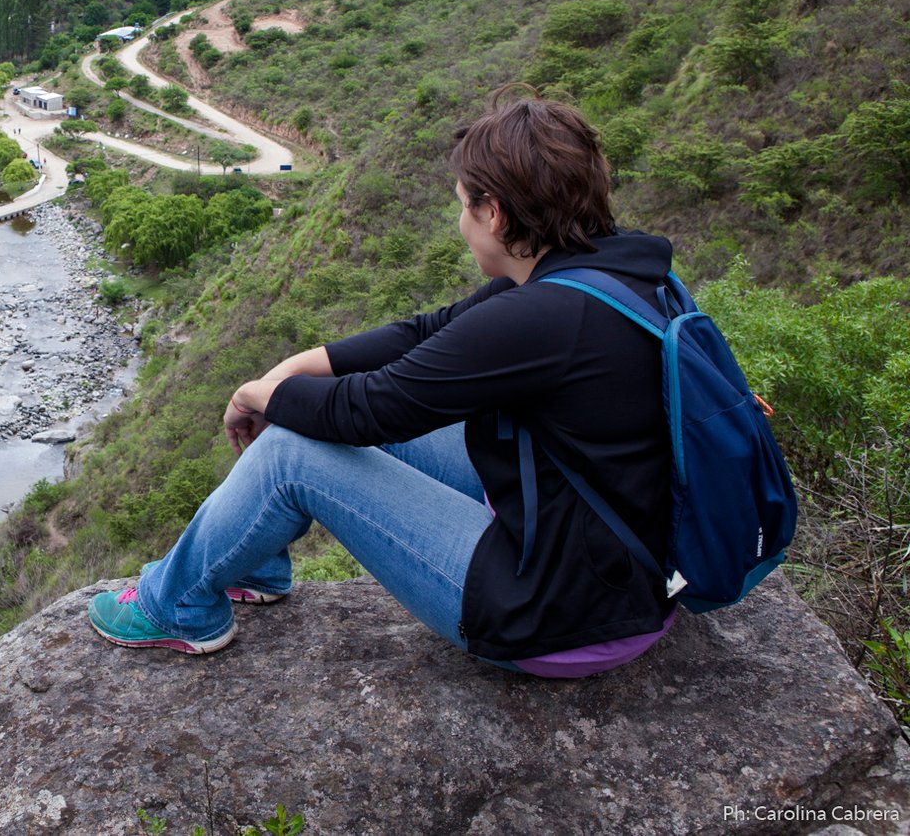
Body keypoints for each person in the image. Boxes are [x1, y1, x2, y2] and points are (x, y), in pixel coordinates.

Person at [88, 84, 679, 676]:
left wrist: (257, 395)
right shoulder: (616, 271)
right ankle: (248, 563)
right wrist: (291, 369)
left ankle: (174, 607)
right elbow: (426, 331)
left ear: (493, 212)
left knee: (292, 450)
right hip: (609, 562)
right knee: (303, 410)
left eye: (462, 204)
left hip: (555, 613)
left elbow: (373, 410)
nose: (460, 220)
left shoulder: (541, 318)